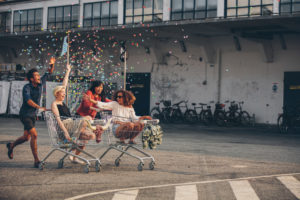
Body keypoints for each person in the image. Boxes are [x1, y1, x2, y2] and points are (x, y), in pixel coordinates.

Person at [6, 57, 56, 168]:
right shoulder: (26, 87)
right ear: (31, 79)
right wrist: (39, 107)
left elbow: (49, 72)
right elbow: (28, 101)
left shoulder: (40, 83)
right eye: (37, 76)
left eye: (39, 75)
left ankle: (11, 145)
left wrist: (52, 64)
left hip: (33, 115)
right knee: (34, 135)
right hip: (25, 115)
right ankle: (36, 160)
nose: (39, 77)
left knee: (26, 137)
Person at [51, 64, 101, 164]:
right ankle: (74, 138)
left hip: (72, 125)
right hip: (66, 125)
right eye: (62, 93)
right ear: (57, 94)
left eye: (64, 93)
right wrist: (65, 132)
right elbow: (58, 120)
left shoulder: (62, 101)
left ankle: (74, 157)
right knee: (86, 118)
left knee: (89, 136)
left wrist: (68, 71)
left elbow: (64, 84)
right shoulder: (54, 104)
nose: (64, 95)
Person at [84, 90, 152, 144]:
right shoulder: (115, 104)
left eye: (120, 97)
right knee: (130, 124)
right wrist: (91, 100)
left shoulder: (129, 107)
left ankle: (131, 140)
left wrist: (143, 117)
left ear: (125, 97)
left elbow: (134, 118)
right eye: (117, 97)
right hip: (117, 128)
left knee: (140, 124)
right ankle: (121, 140)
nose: (117, 98)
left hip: (128, 129)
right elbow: (103, 105)